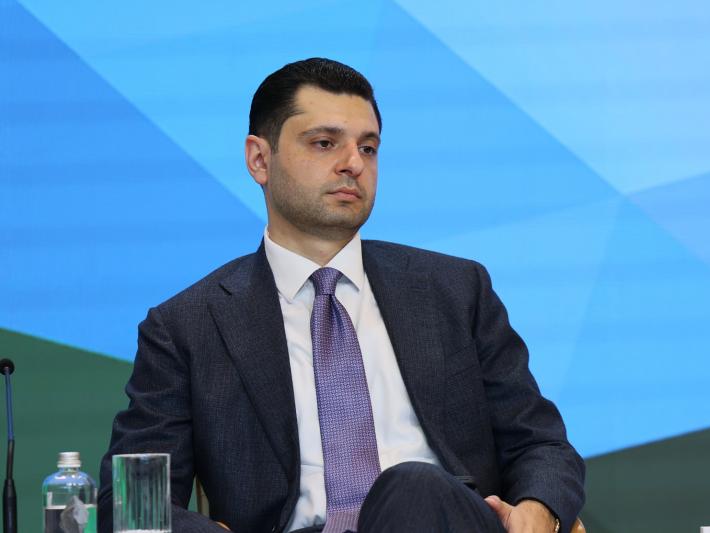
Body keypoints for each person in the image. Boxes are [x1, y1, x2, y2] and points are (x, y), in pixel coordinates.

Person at [98, 58, 585, 533]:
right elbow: (130, 506)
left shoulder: (455, 290)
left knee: (413, 487)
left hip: (441, 517)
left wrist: (537, 512)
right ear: (259, 159)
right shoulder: (188, 327)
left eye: (368, 148)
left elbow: (541, 443)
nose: (353, 164)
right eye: (325, 143)